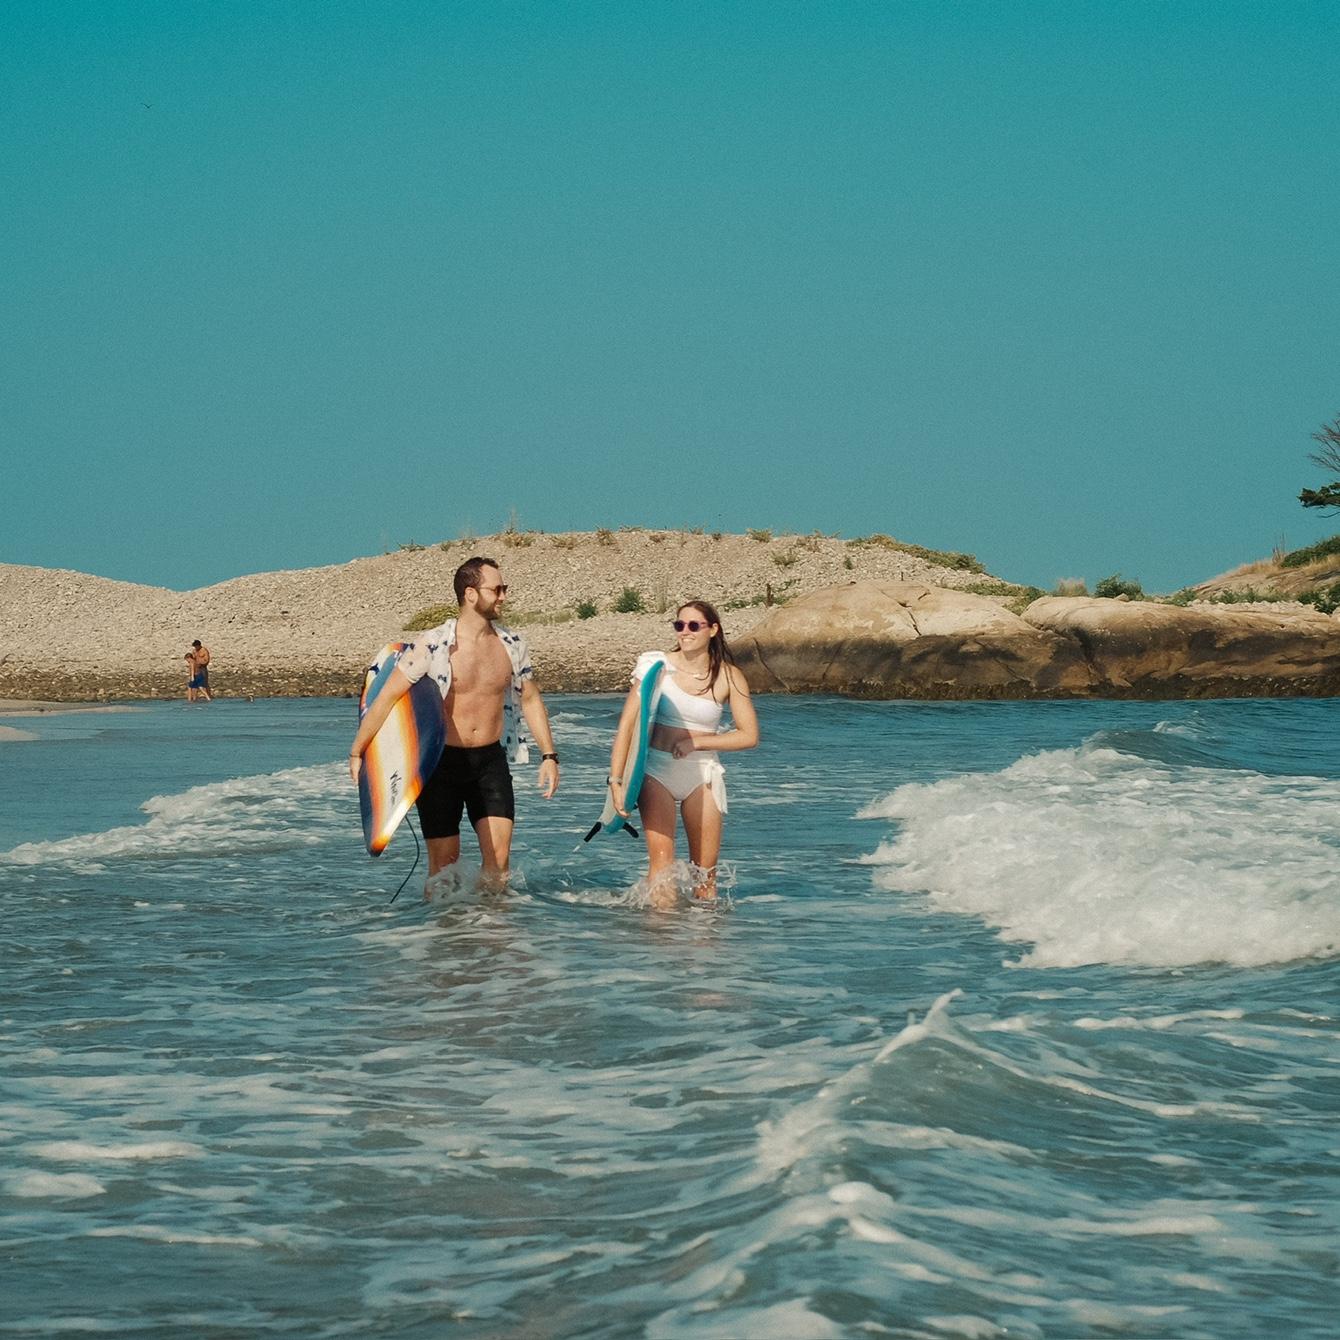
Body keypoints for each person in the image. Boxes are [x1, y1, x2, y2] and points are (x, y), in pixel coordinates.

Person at [348, 557, 559, 888]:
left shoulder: (512, 645)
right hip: (440, 765)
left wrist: (549, 755)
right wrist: (358, 751)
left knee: (499, 863)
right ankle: (450, 936)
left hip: (490, 762)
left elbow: (530, 698)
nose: (504, 596)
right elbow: (387, 698)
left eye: (505, 588)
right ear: (471, 594)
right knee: (444, 869)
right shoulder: (433, 645)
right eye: (497, 589)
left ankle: (493, 933)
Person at [608, 600, 758, 905]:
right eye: (679, 625)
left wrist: (697, 742)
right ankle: (662, 942)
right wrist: (616, 781)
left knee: (705, 874)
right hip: (656, 770)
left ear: (713, 630)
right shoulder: (656, 666)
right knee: (662, 867)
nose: (684, 632)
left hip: (701, 773)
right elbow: (627, 725)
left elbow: (749, 735)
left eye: (693, 626)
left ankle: (701, 942)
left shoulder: (729, 677)